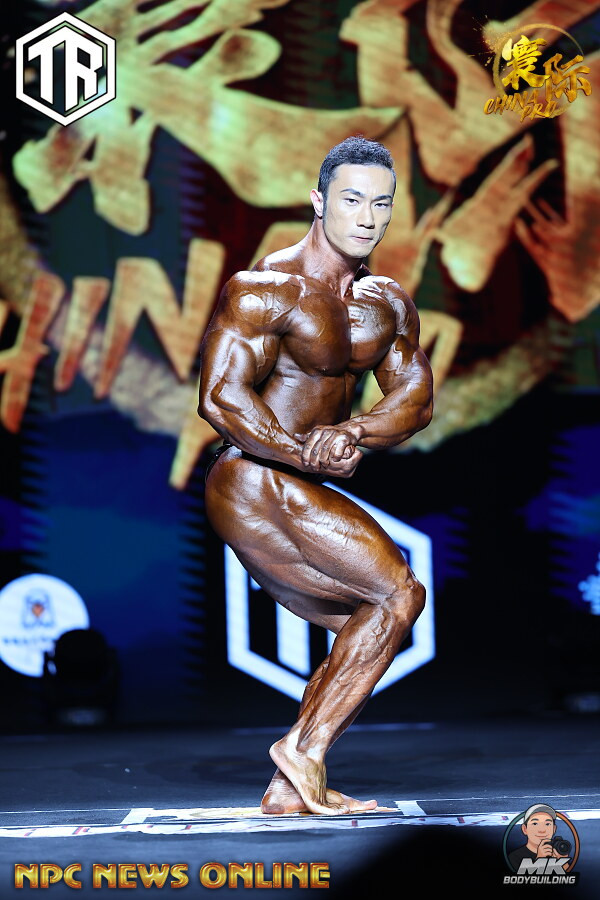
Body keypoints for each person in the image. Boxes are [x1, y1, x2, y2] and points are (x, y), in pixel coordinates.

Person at [198, 136, 433, 816]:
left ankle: (289, 786)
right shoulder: (266, 289)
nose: (367, 217)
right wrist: (302, 453)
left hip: (299, 485)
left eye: (381, 204)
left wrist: (354, 430)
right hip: (251, 476)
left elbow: (414, 399)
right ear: (319, 201)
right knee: (397, 592)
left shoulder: (386, 302)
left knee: (374, 618)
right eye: (352, 200)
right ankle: (302, 752)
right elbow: (221, 396)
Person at [508, 804, 570, 871]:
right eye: (535, 824)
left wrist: (563, 862)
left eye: (547, 824)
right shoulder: (514, 857)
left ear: (554, 829)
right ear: (525, 829)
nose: (542, 830)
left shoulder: (558, 852)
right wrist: (539, 860)